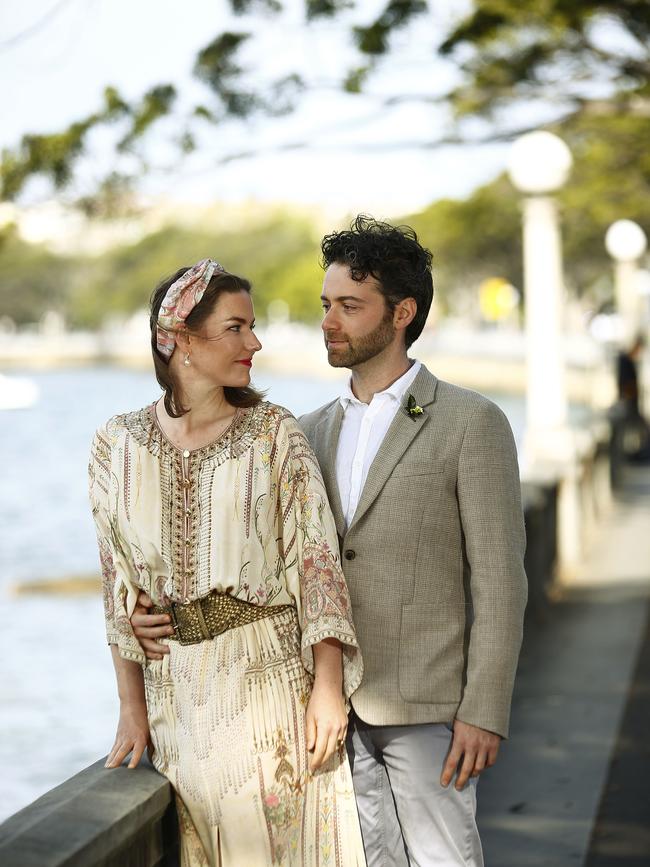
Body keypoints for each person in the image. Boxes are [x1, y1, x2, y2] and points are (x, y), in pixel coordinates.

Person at [133, 219, 529, 867]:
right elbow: (265, 566)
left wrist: (484, 711)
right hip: (320, 709)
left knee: (444, 859)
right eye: (325, 305)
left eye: (349, 306)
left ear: (401, 313)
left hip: (425, 704)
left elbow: (500, 580)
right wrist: (158, 616)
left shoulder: (470, 422)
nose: (329, 322)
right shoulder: (305, 430)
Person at [88, 259, 366, 866]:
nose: (255, 342)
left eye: (252, 325)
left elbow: (316, 566)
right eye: (236, 327)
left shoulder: (274, 435)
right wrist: (131, 712)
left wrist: (327, 689)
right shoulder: (117, 445)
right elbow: (119, 590)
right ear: (182, 339)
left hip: (267, 687)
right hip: (175, 695)